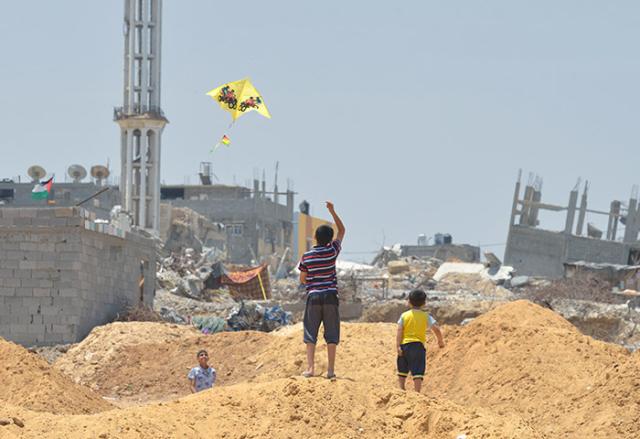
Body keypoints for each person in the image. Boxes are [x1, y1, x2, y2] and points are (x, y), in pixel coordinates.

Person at [298, 201, 345, 379]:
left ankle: (310, 369)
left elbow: (302, 279)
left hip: (314, 296)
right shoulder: (332, 251)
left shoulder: (307, 256)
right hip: (331, 296)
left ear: (315, 238)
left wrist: (312, 280)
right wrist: (332, 211)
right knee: (331, 333)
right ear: (329, 239)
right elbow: (342, 231)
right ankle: (331, 370)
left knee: (311, 331)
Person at [396, 289, 445, 392]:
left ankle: (401, 388)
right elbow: (436, 328)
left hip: (405, 345)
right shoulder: (426, 316)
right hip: (418, 346)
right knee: (418, 369)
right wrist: (440, 341)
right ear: (424, 303)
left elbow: (400, 330)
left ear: (409, 301)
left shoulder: (404, 316)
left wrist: (398, 346)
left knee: (402, 366)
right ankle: (417, 391)